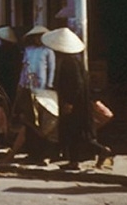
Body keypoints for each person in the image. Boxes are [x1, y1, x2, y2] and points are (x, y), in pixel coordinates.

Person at [42, 27, 113, 170]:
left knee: (77, 133)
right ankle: (74, 161)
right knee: (74, 132)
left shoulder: (69, 63)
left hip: (75, 104)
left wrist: (69, 102)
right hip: (77, 102)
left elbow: (76, 84)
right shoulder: (74, 61)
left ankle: (101, 151)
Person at [18, 26, 55, 91]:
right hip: (29, 78)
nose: (38, 39)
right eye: (36, 37)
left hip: (41, 79)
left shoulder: (48, 50)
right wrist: (21, 81)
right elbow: (24, 66)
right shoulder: (28, 49)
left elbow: (51, 68)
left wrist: (49, 83)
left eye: (40, 37)